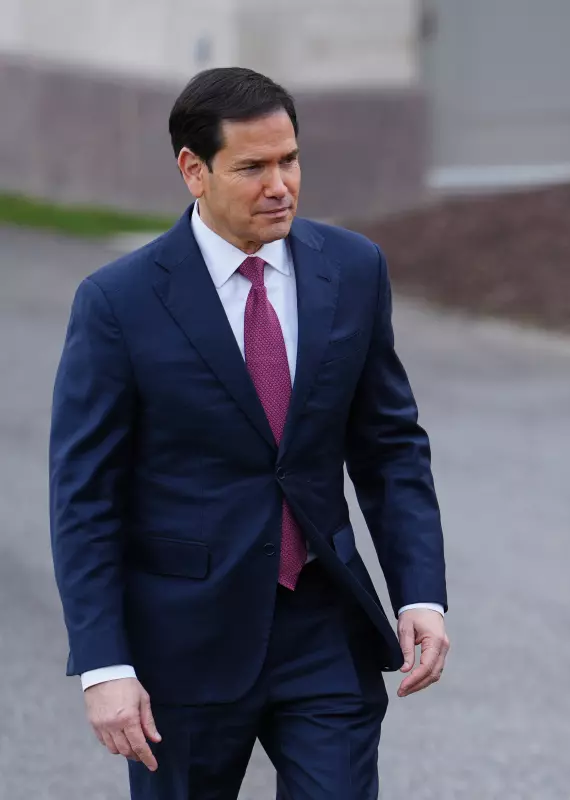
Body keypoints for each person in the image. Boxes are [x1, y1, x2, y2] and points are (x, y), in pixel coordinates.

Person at [48, 66, 449, 798]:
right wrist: (104, 665)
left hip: (324, 626)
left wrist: (420, 593)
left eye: (290, 160)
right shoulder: (119, 303)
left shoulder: (353, 270)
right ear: (193, 170)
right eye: (252, 167)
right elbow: (85, 497)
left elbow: (390, 447)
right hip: (183, 648)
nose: (280, 186)